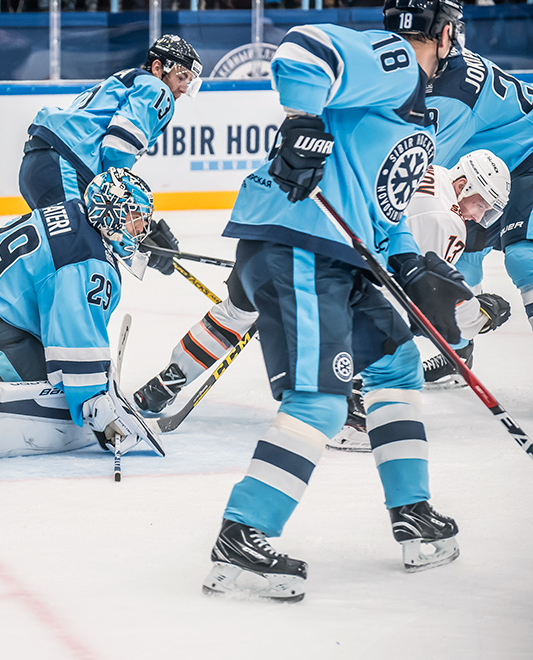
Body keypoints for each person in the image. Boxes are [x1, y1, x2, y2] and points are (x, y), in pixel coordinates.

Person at [195, 0, 472, 601]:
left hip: (344, 257)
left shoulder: (419, 113)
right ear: (444, 33)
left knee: (396, 363)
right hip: (304, 245)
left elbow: (387, 204)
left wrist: (408, 260)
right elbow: (303, 50)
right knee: (320, 400)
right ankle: (242, 537)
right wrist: (303, 122)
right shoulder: (398, 62)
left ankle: (413, 512)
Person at [133, 149, 513, 450]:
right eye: (483, 203)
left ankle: (165, 383)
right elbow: (424, 303)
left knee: (235, 312)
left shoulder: (423, 169)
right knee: (386, 321)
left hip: (269, 235)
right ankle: (348, 405)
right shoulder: (446, 219)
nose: (481, 216)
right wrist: (481, 315)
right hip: (319, 267)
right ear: (465, 184)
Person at [0, 168, 162, 464]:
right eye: (135, 216)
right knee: (52, 397)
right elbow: (73, 340)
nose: (142, 226)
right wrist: (97, 406)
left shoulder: (76, 214)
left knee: (56, 380)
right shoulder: (86, 260)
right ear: (111, 213)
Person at [19, 34, 203, 277]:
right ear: (158, 68)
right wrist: (132, 223)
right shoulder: (157, 89)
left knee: (58, 255)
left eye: (188, 81)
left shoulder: (122, 81)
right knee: (85, 260)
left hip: (41, 164)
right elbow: (118, 148)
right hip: (67, 166)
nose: (183, 87)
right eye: (181, 77)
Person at [408, 32, 533, 386]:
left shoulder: (448, 96)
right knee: (461, 247)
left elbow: (413, 183)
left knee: (524, 254)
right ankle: (458, 350)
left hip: (526, 157)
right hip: (495, 173)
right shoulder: (440, 68)